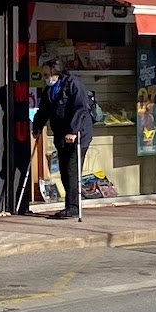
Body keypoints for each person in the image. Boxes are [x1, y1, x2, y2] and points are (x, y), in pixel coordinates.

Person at [32, 58, 93, 219]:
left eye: (47, 74)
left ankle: (73, 207)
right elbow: (44, 110)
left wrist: (73, 131)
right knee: (64, 170)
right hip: (61, 135)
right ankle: (70, 205)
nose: (46, 78)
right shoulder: (49, 90)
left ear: (56, 72)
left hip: (79, 134)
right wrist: (37, 126)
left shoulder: (73, 83)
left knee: (72, 170)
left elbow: (80, 108)